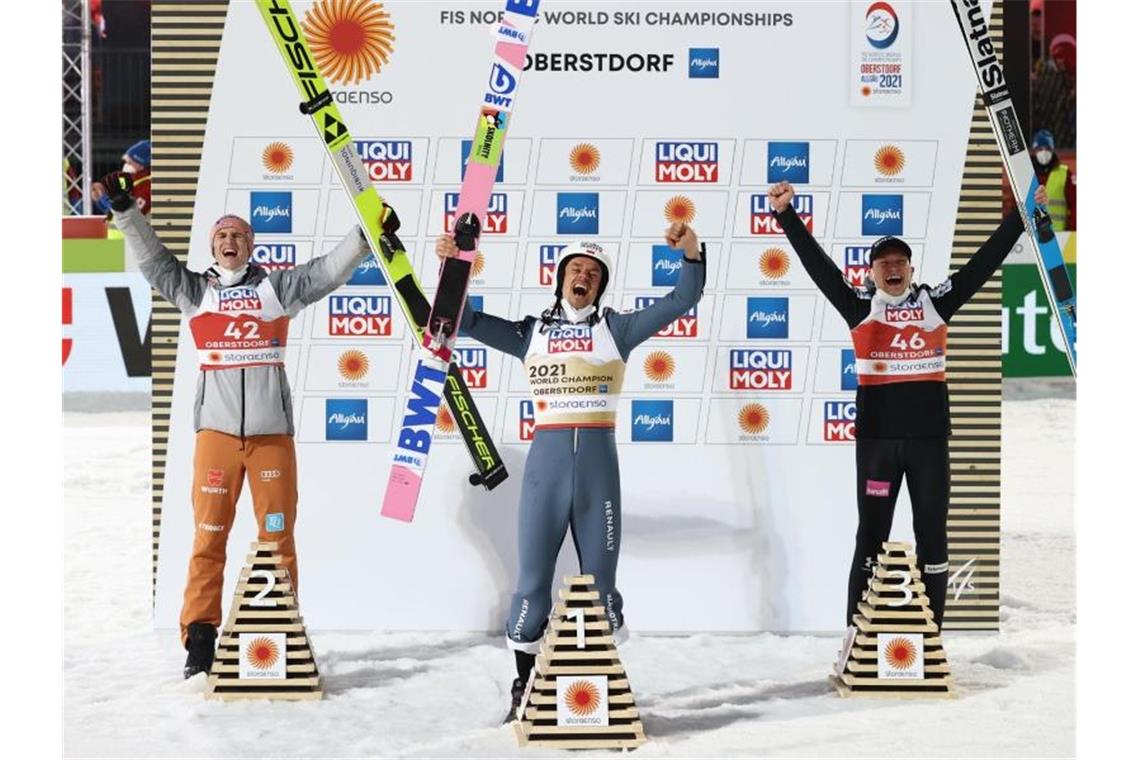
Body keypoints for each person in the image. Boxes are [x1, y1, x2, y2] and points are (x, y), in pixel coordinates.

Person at [100, 170, 373, 678]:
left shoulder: (277, 289)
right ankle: (200, 639)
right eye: (222, 235)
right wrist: (124, 211)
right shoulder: (195, 290)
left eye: (239, 235)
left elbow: (327, 272)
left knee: (277, 538)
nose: (230, 241)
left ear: (251, 245)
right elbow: (154, 260)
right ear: (213, 247)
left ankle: (282, 635)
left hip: (271, 439)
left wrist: (364, 236)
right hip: (217, 439)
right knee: (209, 536)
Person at [435, 223, 706, 722]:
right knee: (533, 584)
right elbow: (465, 320)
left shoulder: (616, 330)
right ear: (560, 277)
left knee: (601, 585)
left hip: (599, 471)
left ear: (600, 285)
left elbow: (682, 298)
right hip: (547, 468)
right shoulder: (531, 333)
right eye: (576, 269)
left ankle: (599, 683)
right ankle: (524, 683)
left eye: (593, 272)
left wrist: (690, 252)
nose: (583, 276)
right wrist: (454, 266)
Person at [767, 180, 1046, 634]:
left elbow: (981, 265)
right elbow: (818, 267)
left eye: (900, 262)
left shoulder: (935, 302)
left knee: (932, 536)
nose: (893, 268)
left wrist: (1018, 217)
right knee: (871, 538)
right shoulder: (859, 306)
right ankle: (855, 640)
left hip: (929, 445)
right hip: (878, 445)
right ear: (871, 271)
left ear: (911, 269)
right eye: (884, 263)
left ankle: (932, 640)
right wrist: (786, 215)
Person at [92, 140, 152, 219]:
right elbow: (111, 213)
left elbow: (128, 215)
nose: (126, 165)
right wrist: (99, 198)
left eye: (130, 162)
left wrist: (103, 197)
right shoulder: (130, 181)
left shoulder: (147, 187)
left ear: (142, 165)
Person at [1030, 129, 1076, 231]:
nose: (1044, 152)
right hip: (1031, 237)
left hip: (1060, 237)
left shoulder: (1064, 173)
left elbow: (1075, 205)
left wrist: (1072, 231)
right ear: (1035, 150)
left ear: (1052, 150)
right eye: (1040, 148)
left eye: (1047, 148)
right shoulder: (1028, 173)